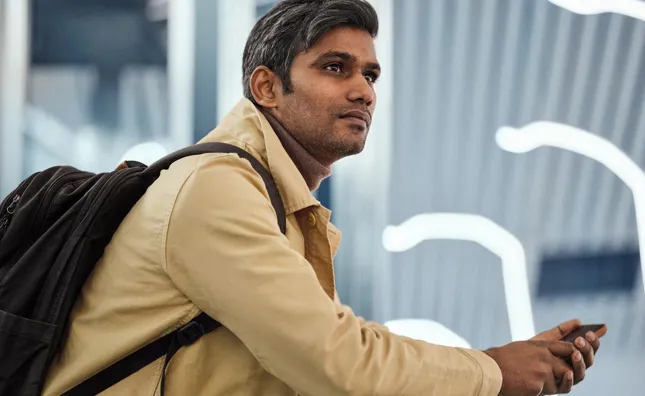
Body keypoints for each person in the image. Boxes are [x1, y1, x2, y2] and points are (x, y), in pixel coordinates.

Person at [43, 0, 603, 395]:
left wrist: (519, 366)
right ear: (267, 88)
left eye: (371, 74)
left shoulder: (275, 205)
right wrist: (494, 371)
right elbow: (338, 364)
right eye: (335, 67)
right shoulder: (215, 188)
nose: (363, 90)